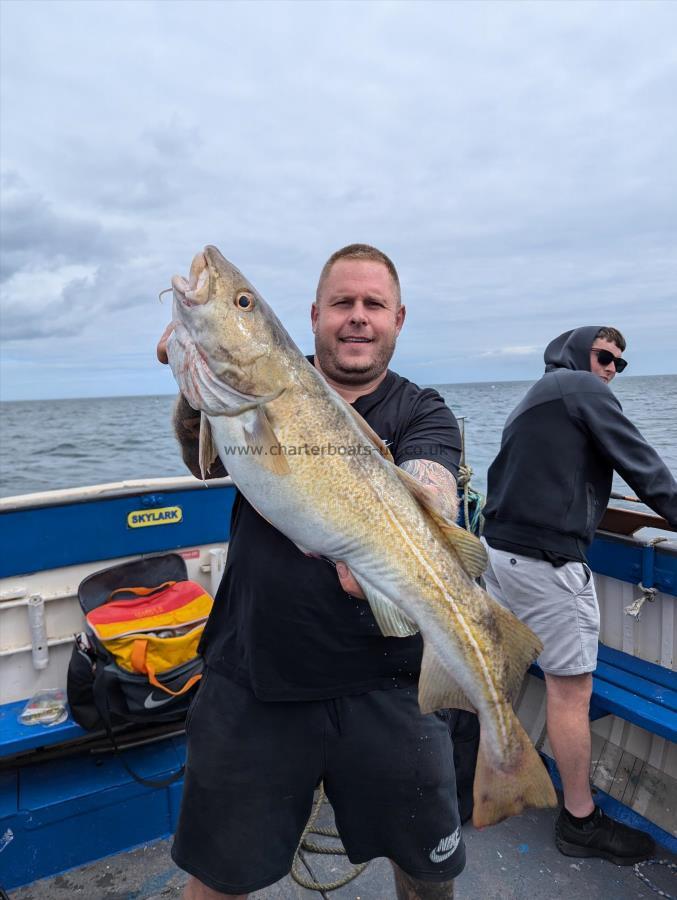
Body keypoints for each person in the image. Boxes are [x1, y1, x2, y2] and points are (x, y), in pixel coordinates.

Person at [157, 244, 465, 900]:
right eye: (341, 304)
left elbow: (433, 483)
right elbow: (205, 464)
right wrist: (195, 389)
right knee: (217, 877)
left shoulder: (423, 410)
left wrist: (403, 537)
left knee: (428, 872)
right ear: (313, 315)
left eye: (372, 305)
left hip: (389, 683)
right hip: (252, 673)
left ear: (397, 319)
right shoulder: (265, 387)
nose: (357, 318)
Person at [481, 325, 677, 866]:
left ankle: (466, 781)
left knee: (498, 673)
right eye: (605, 355)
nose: (612, 369)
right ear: (576, 351)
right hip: (545, 563)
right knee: (571, 693)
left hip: (499, 554)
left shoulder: (534, 397)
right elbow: (645, 468)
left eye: (620, 363)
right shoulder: (581, 388)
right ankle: (580, 820)